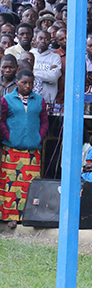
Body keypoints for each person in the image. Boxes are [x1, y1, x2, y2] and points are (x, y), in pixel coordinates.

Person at [0, 70, 48, 227]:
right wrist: (9, 136)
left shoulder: (39, 100)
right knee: (11, 184)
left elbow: (44, 121)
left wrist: (39, 137)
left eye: (31, 83)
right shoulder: (7, 100)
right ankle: (10, 217)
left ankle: (28, 216)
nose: (28, 86)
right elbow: (2, 120)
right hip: (12, 149)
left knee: (30, 184)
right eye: (24, 83)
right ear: (17, 82)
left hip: (32, 150)